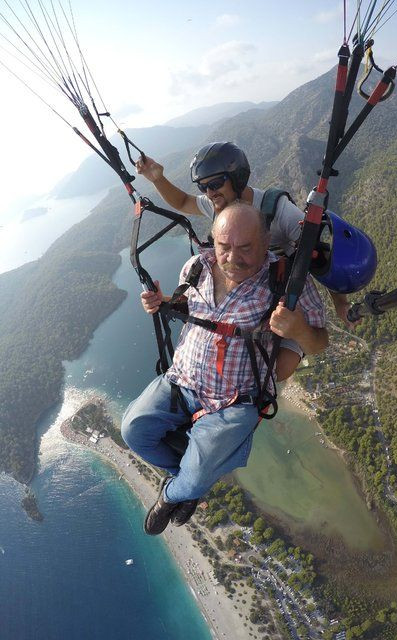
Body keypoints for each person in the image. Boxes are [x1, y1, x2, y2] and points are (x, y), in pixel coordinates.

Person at [121, 202, 328, 535]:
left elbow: (320, 342)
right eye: (224, 247)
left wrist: (299, 330)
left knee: (198, 470)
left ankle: (173, 493)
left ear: (265, 243)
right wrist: (162, 303)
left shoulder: (286, 283)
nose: (232, 257)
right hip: (181, 381)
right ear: (213, 242)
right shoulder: (196, 268)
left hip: (233, 401)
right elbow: (190, 306)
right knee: (133, 431)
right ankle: (188, 484)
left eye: (246, 248)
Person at [135, 141, 359, 326]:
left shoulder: (277, 208)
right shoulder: (218, 204)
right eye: (203, 187)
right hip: (237, 298)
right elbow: (183, 202)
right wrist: (157, 179)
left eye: (215, 183)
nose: (210, 193)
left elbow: (319, 255)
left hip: (273, 301)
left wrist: (340, 304)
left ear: (237, 178)